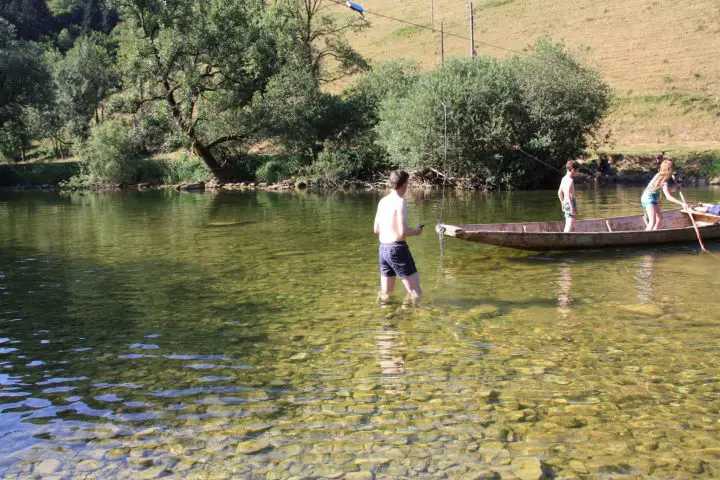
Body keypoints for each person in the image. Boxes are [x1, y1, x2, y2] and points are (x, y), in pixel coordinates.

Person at [373, 170, 424, 301]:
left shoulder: (382, 201)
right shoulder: (400, 201)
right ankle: (420, 316)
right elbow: (402, 231)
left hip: (383, 249)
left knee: (386, 292)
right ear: (404, 185)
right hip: (397, 248)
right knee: (415, 291)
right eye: (407, 182)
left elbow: (376, 229)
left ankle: (386, 317)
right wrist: (416, 231)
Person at [641, 159, 684, 230]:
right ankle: (645, 238)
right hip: (648, 198)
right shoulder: (663, 180)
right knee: (652, 221)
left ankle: (654, 233)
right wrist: (682, 203)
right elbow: (668, 197)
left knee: (659, 218)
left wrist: (676, 189)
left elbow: (667, 191)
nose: (673, 171)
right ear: (668, 169)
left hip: (650, 198)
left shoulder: (659, 175)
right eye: (672, 169)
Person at [558, 160, 580, 232]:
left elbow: (559, 192)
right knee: (570, 223)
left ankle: (565, 237)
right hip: (570, 202)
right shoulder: (570, 180)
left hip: (565, 202)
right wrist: (572, 207)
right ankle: (565, 239)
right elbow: (567, 193)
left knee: (568, 223)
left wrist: (562, 203)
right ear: (573, 170)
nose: (578, 172)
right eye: (577, 171)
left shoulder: (563, 178)